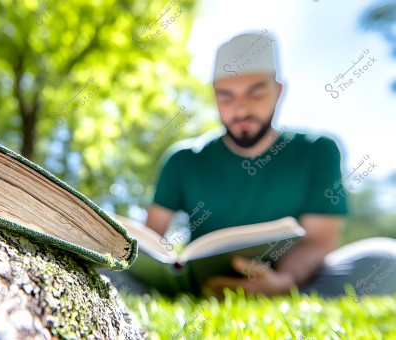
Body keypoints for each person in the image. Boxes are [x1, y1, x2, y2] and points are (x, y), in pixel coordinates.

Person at [143, 31, 396, 298]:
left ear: (278, 91)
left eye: (255, 93)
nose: (240, 110)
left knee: (386, 260)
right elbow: (151, 242)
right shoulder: (183, 159)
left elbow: (319, 241)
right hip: (201, 286)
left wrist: (282, 283)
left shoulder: (317, 151)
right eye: (226, 96)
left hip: (295, 282)